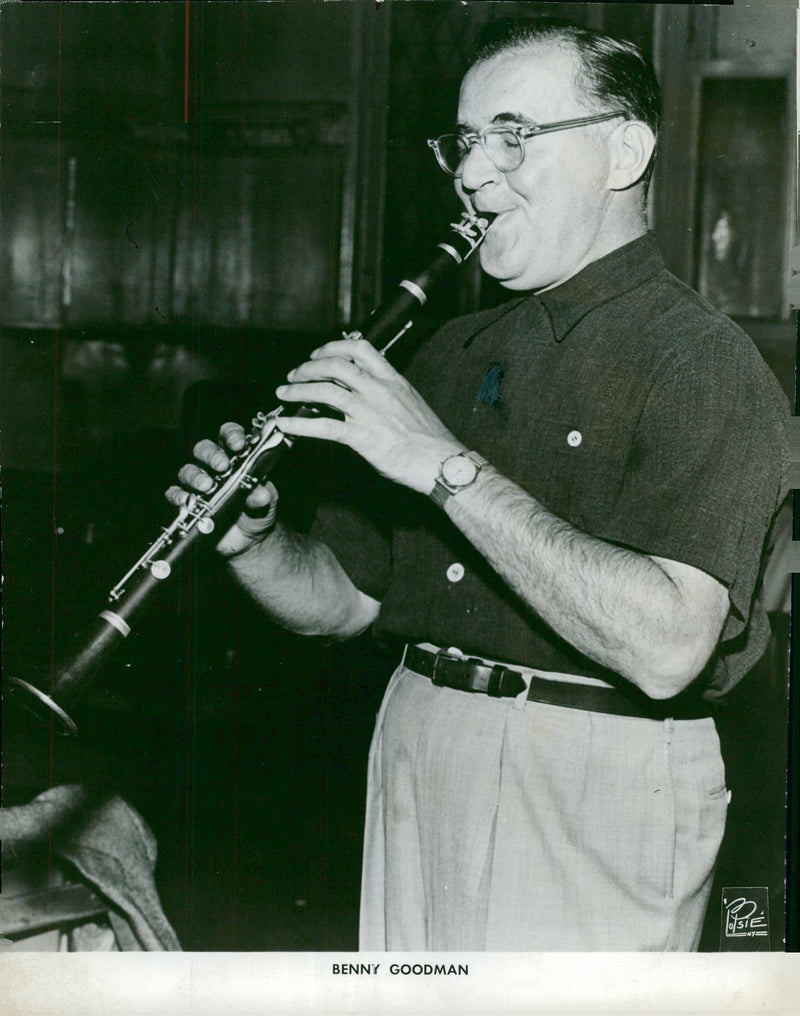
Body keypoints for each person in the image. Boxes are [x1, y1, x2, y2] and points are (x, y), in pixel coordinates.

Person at [168, 18, 788, 951]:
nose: (470, 172)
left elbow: (668, 647)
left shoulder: (704, 362)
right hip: (419, 737)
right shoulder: (453, 352)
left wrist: (440, 464)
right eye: (464, 142)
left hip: (592, 770)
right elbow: (344, 604)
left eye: (513, 136)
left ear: (625, 150)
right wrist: (254, 541)